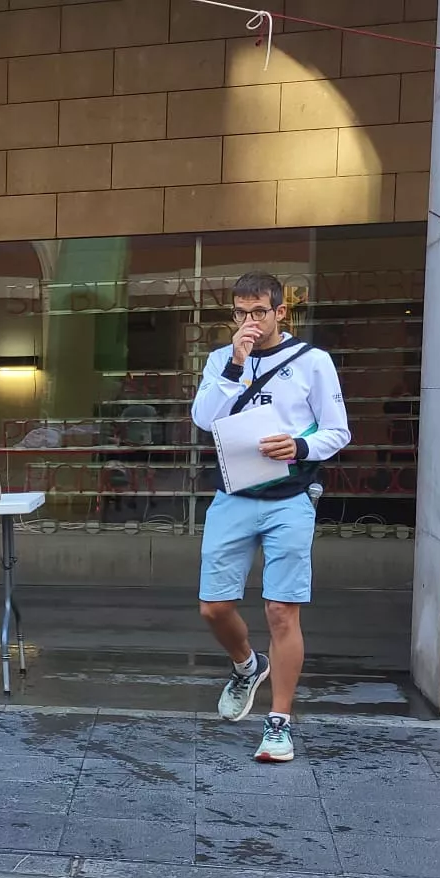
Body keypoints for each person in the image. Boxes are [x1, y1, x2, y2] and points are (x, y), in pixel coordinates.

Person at [191, 272, 350, 763]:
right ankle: (245, 664)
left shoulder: (312, 362)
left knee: (281, 610)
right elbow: (203, 417)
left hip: (290, 496)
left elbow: (338, 431)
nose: (250, 321)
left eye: (259, 311)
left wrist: (300, 445)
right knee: (213, 607)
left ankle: (278, 721)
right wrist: (235, 364)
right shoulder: (222, 359)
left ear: (281, 312)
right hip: (234, 495)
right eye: (240, 313)